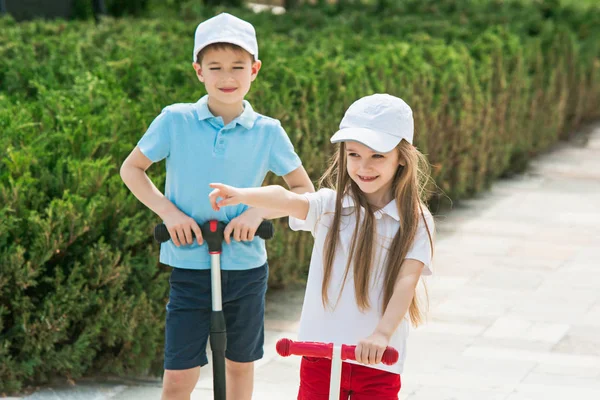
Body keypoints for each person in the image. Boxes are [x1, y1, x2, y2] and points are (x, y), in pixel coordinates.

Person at [119, 12, 314, 400]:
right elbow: (132, 169)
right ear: (198, 71)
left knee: (240, 365)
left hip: (245, 267)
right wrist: (169, 212)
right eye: (216, 67)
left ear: (255, 70)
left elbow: (303, 192)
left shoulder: (268, 131)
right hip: (190, 265)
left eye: (238, 67)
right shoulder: (175, 121)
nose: (228, 77)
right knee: (178, 375)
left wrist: (258, 212)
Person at [208, 93, 435, 399]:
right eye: (353, 154)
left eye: (377, 156)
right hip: (320, 357)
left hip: (378, 361)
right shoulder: (331, 207)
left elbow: (407, 281)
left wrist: (382, 334)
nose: (363, 166)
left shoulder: (415, 219)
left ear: (402, 158)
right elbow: (288, 199)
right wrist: (243, 195)